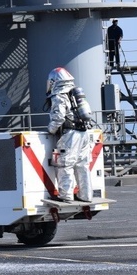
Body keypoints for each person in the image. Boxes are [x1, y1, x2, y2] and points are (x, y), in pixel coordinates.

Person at [45, 67, 96, 203]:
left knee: (64, 164)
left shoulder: (59, 95)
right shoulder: (76, 93)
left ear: (54, 81)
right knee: (82, 165)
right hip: (84, 133)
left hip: (70, 134)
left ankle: (66, 196)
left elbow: (59, 117)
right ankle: (86, 195)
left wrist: (50, 130)